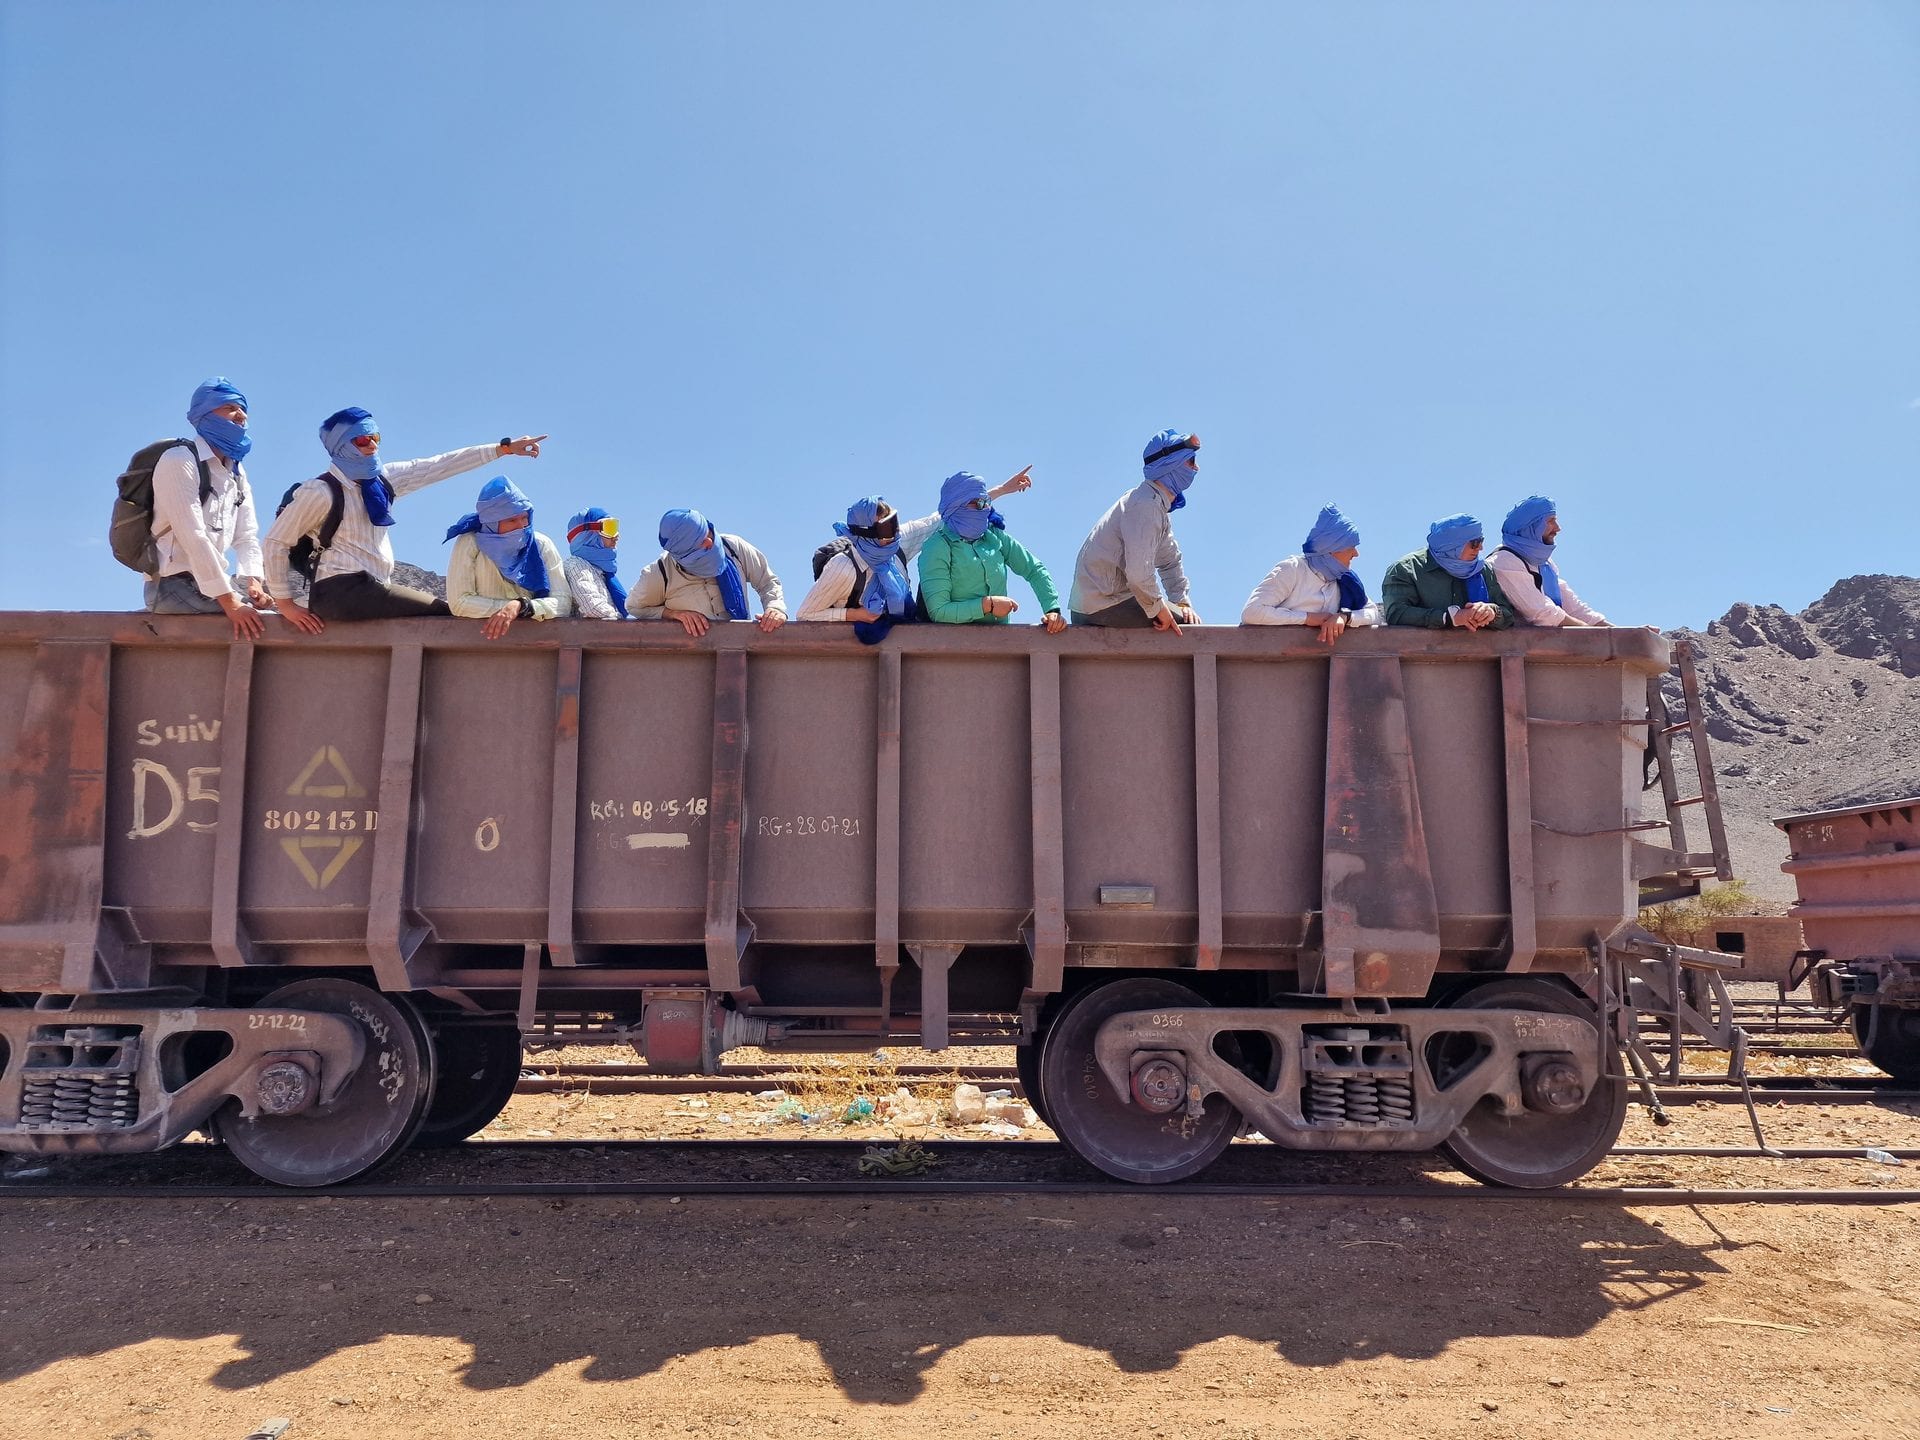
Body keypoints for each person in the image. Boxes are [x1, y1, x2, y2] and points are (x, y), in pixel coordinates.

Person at [263, 407, 547, 631]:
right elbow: (276, 541)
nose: (372, 446)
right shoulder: (320, 491)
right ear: (342, 446)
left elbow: (440, 465)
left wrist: (503, 448)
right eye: (363, 440)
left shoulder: (383, 481)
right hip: (340, 590)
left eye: (376, 438)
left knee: (443, 611)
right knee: (446, 612)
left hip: (370, 586)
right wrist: (285, 604)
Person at [795, 467, 1034, 625]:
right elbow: (805, 614)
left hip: (906, 634)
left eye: (894, 523)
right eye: (886, 528)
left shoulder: (898, 544)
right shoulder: (843, 568)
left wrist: (1001, 490)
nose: (894, 533)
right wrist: (855, 615)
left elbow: (941, 517)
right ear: (866, 534)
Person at [146, 377, 272, 640]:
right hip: (173, 586)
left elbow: (247, 535)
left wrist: (253, 581)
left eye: (242, 408)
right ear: (204, 414)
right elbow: (193, 536)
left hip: (213, 584)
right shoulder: (179, 460)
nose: (241, 415)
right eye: (229, 408)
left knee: (287, 600)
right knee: (265, 624)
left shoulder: (236, 472)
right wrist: (231, 604)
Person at [1069, 429, 1201, 631]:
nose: (1197, 468)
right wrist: (1158, 608)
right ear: (1171, 464)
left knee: (1182, 615)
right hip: (1103, 603)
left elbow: (1169, 561)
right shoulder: (1145, 506)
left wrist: (1181, 601)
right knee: (1187, 628)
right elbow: (1139, 574)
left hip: (1098, 601)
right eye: (1191, 462)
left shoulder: (1154, 505)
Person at [918, 472, 1065, 630]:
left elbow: (1033, 569)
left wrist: (1052, 609)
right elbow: (939, 611)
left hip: (998, 648)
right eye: (977, 503)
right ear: (955, 507)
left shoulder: (993, 535)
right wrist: (988, 605)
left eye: (986, 502)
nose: (985, 509)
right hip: (949, 649)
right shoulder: (936, 547)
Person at [444, 477, 573, 638]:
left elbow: (563, 602)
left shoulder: (541, 544)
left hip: (533, 643)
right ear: (492, 523)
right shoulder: (470, 542)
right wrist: (508, 608)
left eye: (525, 517)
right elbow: (460, 603)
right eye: (512, 520)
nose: (521, 526)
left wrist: (522, 606)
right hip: (480, 645)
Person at [627, 509, 786, 635]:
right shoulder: (659, 573)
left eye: (708, 533)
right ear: (683, 553)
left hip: (741, 649)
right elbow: (635, 607)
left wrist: (775, 608)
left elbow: (767, 582)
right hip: (691, 660)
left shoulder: (733, 547)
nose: (710, 541)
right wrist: (673, 614)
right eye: (700, 542)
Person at [1240, 504, 1384, 642]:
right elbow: (1252, 612)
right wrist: (1308, 618)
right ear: (1333, 548)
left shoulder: (1346, 580)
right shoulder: (1293, 569)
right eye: (1350, 547)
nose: (1356, 554)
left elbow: (1374, 614)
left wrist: (1345, 617)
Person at [1489, 495, 1610, 627]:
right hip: (1512, 646)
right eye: (1551, 521)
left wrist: (1619, 633)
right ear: (1532, 526)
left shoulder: (1544, 563)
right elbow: (1542, 613)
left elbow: (1575, 609)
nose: (1558, 528)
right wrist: (1593, 634)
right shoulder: (1505, 561)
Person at [1381, 514, 1516, 630]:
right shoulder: (1406, 569)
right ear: (1452, 546)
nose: (1481, 548)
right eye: (1475, 543)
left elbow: (1508, 615)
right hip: (1427, 657)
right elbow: (1396, 613)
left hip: (1481, 654)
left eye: (1481, 541)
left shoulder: (1482, 570)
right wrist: (1449, 618)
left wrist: (1491, 612)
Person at [563, 507, 627, 619]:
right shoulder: (576, 565)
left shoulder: (602, 574)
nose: (616, 536)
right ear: (587, 535)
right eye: (609, 529)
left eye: (615, 528)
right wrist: (627, 626)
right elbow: (592, 607)